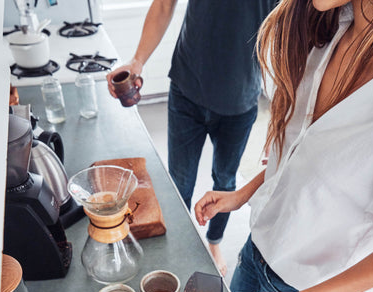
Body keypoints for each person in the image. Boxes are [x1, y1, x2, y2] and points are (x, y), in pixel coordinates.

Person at [195, 0, 373, 292]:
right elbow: (300, 154)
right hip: (259, 244)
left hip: (303, 284)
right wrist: (241, 193)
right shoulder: (329, 32)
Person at [107, 0, 276, 276]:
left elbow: (290, 41)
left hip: (239, 102)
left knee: (224, 180)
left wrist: (281, 121)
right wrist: (137, 60)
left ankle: (214, 242)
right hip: (186, 90)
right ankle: (175, 246)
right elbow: (163, 5)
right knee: (179, 182)